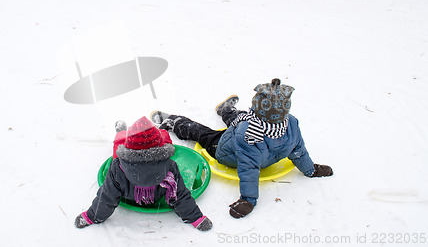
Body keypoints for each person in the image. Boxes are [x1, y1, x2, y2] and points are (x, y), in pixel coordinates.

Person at [151, 78, 333, 219]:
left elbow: (293, 151)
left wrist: (311, 169)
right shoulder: (280, 125)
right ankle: (177, 122)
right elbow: (253, 166)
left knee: (227, 124)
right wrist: (248, 199)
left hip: (234, 144)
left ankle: (219, 111)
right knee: (220, 127)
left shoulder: (262, 130)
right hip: (229, 147)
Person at [74, 116, 213, 231]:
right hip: (156, 190)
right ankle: (162, 130)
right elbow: (179, 195)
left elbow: (106, 197)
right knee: (167, 143)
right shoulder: (169, 166)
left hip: (129, 190)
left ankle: (122, 131)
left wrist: (91, 216)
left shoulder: (118, 167)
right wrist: (196, 218)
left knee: (119, 143)